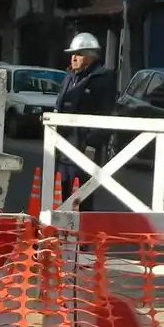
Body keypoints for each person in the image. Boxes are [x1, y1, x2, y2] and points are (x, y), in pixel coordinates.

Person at [54, 32, 116, 213]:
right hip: (63, 148)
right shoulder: (69, 76)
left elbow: (107, 115)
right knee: (62, 196)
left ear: (91, 56)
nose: (73, 58)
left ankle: (83, 240)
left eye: (79, 54)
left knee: (82, 198)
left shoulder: (102, 80)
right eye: (72, 54)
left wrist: (92, 144)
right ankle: (64, 237)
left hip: (84, 150)